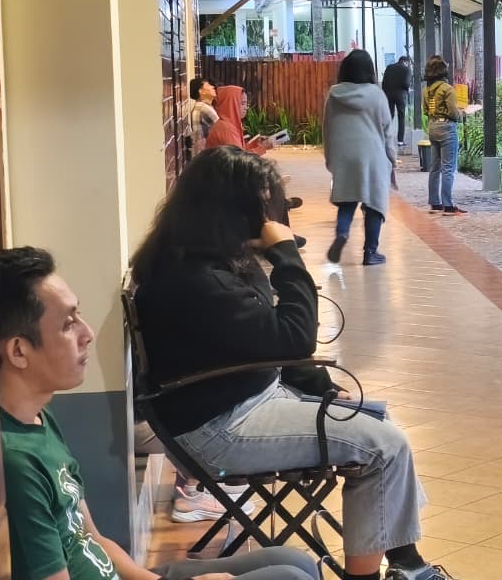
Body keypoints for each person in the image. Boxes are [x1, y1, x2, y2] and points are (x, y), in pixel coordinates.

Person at [130, 147, 450, 580]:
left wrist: (321, 387)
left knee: (376, 419)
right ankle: (385, 573)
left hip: (241, 401)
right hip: (221, 428)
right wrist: (285, 253)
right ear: (230, 208)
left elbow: (267, 345)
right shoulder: (196, 280)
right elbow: (295, 338)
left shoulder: (201, 261)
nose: (267, 216)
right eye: (261, 204)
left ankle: (406, 563)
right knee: (384, 446)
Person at [0, 245, 318, 580]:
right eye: (67, 324)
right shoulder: (17, 463)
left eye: (79, 316)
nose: (87, 333)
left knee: (295, 563)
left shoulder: (40, 418)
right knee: (291, 578)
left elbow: (93, 539)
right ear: (19, 351)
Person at [206, 85, 306, 247]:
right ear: (231, 103)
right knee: (272, 186)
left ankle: (281, 231)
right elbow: (239, 161)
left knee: (272, 186)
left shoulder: (229, 125)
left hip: (229, 179)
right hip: (227, 184)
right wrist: (262, 148)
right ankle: (281, 236)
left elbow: (239, 153)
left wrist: (254, 145)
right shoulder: (226, 129)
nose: (245, 107)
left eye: (246, 103)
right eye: (242, 103)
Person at [323, 49, 396, 266]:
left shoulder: (334, 94)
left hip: (344, 155)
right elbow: (388, 130)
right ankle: (370, 252)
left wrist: (330, 158)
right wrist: (392, 159)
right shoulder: (377, 94)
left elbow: (327, 127)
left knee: (347, 200)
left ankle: (342, 233)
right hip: (373, 155)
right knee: (374, 203)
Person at [422, 56, 467, 216]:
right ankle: (448, 205)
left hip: (433, 126)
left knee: (434, 168)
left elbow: (426, 110)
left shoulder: (427, 91)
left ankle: (435, 203)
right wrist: (461, 113)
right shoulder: (447, 89)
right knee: (448, 167)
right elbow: (453, 112)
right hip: (447, 127)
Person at [382, 55, 412, 147]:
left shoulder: (389, 67)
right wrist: (408, 89)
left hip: (388, 94)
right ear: (406, 62)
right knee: (401, 116)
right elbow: (406, 84)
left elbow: (384, 82)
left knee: (389, 116)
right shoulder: (406, 69)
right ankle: (400, 141)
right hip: (400, 95)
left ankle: (385, 138)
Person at [186, 77, 220, 156]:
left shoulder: (202, 106)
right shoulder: (204, 108)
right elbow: (222, 130)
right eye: (208, 85)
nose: (213, 87)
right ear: (201, 91)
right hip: (206, 155)